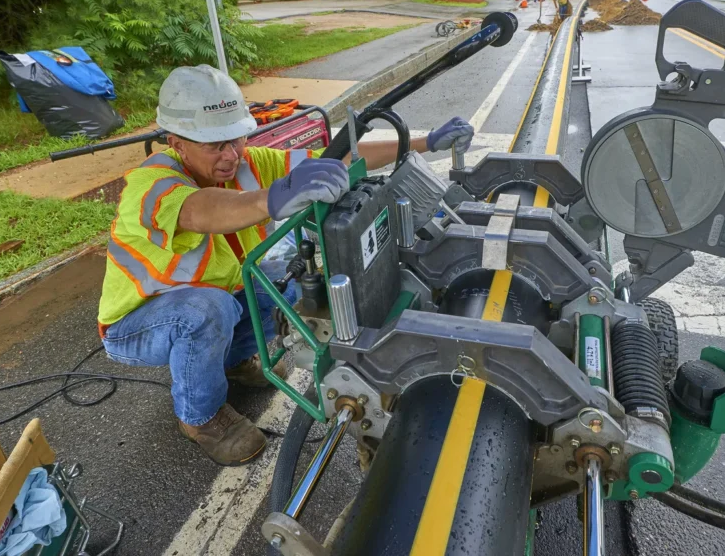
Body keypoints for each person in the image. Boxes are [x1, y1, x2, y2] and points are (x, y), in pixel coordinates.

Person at [97, 65, 475, 466]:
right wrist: (271, 199)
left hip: (213, 296)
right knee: (208, 311)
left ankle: (234, 362)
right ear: (176, 142)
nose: (230, 156)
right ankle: (200, 418)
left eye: (236, 139)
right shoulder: (150, 184)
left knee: (281, 281)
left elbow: (338, 158)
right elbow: (200, 211)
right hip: (138, 324)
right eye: (214, 145)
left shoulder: (247, 162)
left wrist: (423, 142)